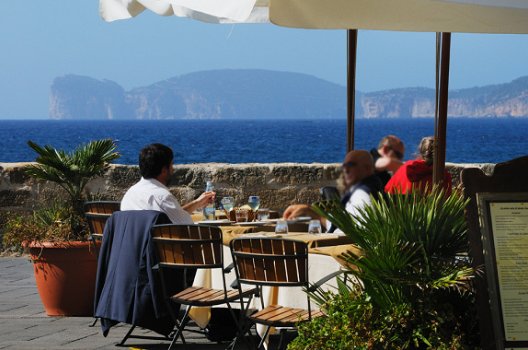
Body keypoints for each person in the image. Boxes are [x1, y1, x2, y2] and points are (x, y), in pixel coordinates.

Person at [283, 150, 384, 230]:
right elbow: (346, 223)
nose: (346, 169)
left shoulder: (362, 194)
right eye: (344, 165)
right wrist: (308, 211)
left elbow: (351, 230)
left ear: (367, 168)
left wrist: (312, 214)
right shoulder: (370, 187)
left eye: (351, 165)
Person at [121, 143, 215, 224]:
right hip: (158, 245)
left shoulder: (129, 194)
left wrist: (197, 203)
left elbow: (175, 216)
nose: (173, 169)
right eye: (171, 165)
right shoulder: (161, 197)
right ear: (164, 170)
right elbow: (187, 227)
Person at [384, 136, 452, 195]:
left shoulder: (405, 168)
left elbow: (387, 190)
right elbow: (446, 200)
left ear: (420, 151)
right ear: (441, 154)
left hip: (399, 209)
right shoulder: (442, 176)